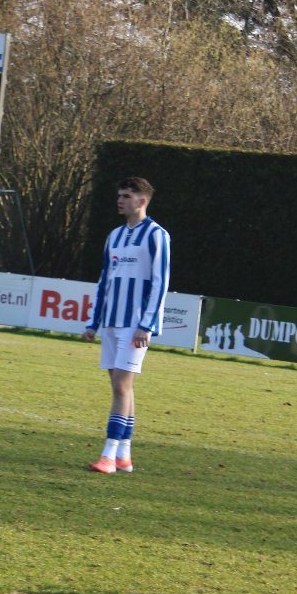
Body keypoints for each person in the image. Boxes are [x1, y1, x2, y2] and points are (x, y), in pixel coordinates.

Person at [82, 176, 170, 474]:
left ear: (142, 201)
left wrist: (147, 324)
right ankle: (124, 456)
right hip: (111, 321)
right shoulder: (115, 236)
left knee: (121, 386)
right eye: (119, 195)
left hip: (135, 325)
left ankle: (108, 455)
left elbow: (160, 282)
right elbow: (105, 280)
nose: (120, 200)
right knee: (121, 388)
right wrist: (94, 322)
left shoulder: (157, 235)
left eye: (126, 196)